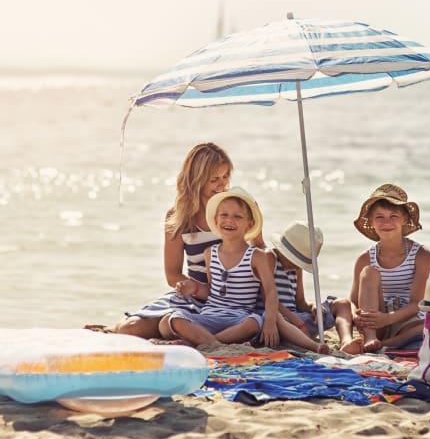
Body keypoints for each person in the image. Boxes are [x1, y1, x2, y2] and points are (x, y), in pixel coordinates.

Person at [106, 142, 243, 338]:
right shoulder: (179, 216)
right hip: (194, 295)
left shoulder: (236, 210)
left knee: (170, 327)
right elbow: (172, 274)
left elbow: (259, 254)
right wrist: (195, 289)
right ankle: (115, 327)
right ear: (197, 180)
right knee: (131, 328)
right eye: (214, 179)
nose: (222, 184)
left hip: (233, 298)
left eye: (225, 176)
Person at [160, 187, 280, 347]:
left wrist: (270, 321)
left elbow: (271, 291)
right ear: (216, 221)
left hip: (239, 319)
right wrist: (193, 288)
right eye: (224, 215)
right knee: (173, 320)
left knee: (255, 322)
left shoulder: (257, 256)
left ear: (249, 224)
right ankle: (217, 343)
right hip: (209, 316)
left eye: (237, 216)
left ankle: (206, 342)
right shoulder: (210, 253)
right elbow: (212, 290)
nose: (229, 220)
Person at [348, 183, 430, 353]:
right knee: (369, 272)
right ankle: (372, 338)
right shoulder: (365, 259)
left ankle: (389, 343)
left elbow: (417, 303)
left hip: (406, 319)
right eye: (379, 217)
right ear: (371, 222)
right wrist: (357, 314)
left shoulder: (421, 255)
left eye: (393, 215)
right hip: (375, 320)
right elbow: (353, 300)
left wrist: (387, 319)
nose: (386, 222)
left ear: (405, 219)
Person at [267, 221, 359, 354]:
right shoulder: (270, 259)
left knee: (343, 304)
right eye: (295, 260)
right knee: (280, 321)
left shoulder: (296, 269)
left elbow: (300, 302)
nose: (298, 265)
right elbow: (267, 298)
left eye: (302, 262)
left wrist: (313, 306)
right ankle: (308, 342)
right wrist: (297, 322)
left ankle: (346, 341)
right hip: (279, 320)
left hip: (298, 319)